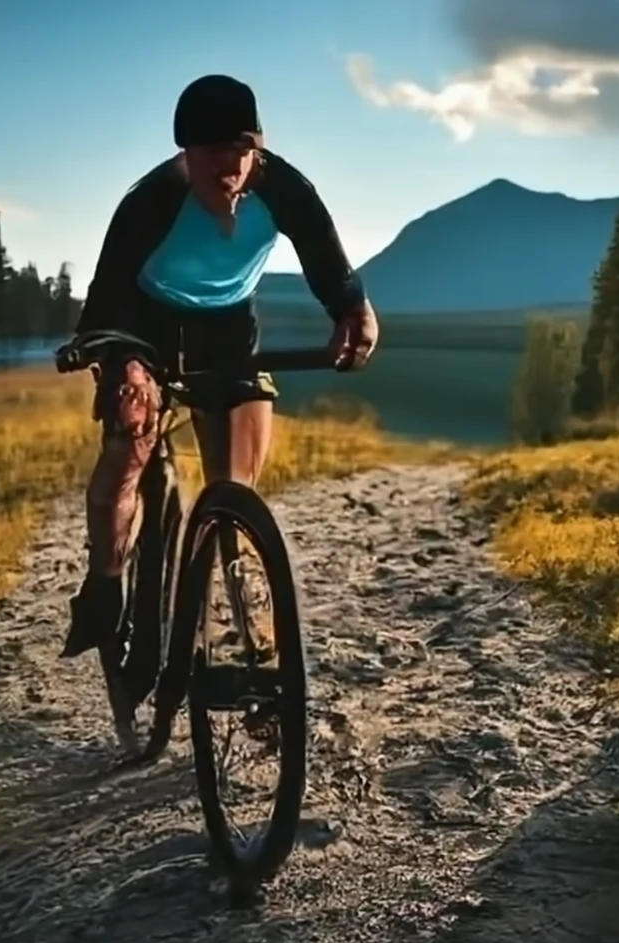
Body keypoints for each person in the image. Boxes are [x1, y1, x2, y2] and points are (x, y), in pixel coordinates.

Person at [59, 73, 380, 744]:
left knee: (236, 495)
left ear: (257, 146)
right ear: (184, 153)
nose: (226, 164)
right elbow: (107, 293)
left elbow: (327, 261)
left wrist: (352, 309)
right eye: (209, 150)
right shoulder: (152, 199)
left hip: (229, 327)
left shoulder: (282, 187)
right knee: (129, 434)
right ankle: (106, 580)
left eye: (240, 147)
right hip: (144, 322)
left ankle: (263, 659)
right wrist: (126, 365)